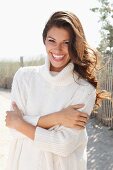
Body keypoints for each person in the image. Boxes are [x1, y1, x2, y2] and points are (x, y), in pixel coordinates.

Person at [5, 11, 104, 170]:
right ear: (44, 41)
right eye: (52, 40)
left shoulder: (84, 89)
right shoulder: (24, 76)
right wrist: (58, 117)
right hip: (23, 164)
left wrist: (20, 122)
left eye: (66, 42)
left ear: (75, 45)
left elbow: (62, 145)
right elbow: (13, 131)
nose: (58, 49)